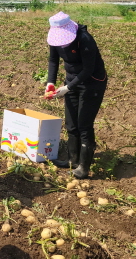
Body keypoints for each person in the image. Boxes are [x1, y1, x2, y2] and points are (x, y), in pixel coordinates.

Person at [45, 11, 107, 179]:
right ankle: (72, 160)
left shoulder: (85, 39)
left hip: (92, 83)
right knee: (71, 124)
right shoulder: (55, 39)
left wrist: (67, 88)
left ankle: (84, 167)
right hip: (71, 82)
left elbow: (88, 69)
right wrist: (50, 82)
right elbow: (53, 60)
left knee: (84, 125)